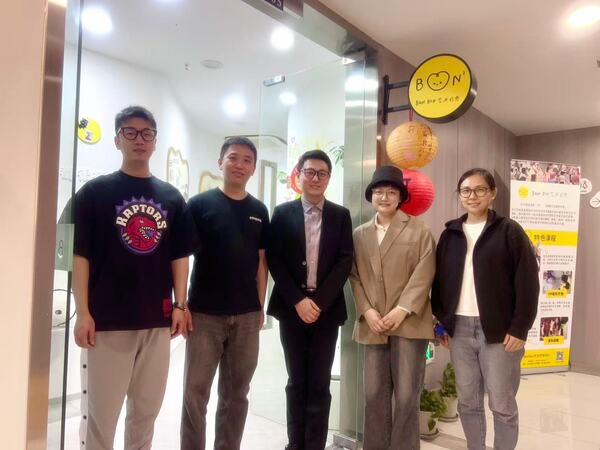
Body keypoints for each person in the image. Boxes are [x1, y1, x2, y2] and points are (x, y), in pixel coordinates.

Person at [72, 105, 196, 450]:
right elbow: (79, 257)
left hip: (156, 322)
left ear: (155, 141)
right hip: (108, 323)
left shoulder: (171, 198)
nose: (139, 139)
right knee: (102, 417)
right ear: (117, 140)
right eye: (130, 132)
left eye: (147, 133)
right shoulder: (93, 194)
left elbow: (179, 256)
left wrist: (180, 305)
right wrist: (83, 312)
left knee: (145, 415)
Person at [431, 168, 539, 450]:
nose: (472, 196)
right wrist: (441, 324)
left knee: (502, 404)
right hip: (459, 330)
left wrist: (520, 327)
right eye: (466, 190)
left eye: (480, 190)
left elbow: (528, 282)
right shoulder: (450, 234)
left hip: (500, 332)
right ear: (459, 195)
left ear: (492, 194)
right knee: (468, 401)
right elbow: (439, 283)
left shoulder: (509, 231)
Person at [181, 136, 269, 450]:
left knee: (236, 394)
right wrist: (182, 304)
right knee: (195, 393)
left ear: (254, 168)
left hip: (247, 316)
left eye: (247, 160)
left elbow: (261, 262)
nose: (239, 165)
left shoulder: (259, 210)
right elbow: (182, 257)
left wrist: (260, 306)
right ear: (220, 162)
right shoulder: (199, 205)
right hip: (204, 314)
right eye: (233, 157)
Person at [267, 150, 353, 450]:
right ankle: (295, 444)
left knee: (319, 382)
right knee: (296, 381)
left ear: (328, 178)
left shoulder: (341, 215)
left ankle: (314, 445)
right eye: (310, 172)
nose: (315, 178)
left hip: (326, 312)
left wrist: (319, 302)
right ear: (298, 174)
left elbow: (345, 261)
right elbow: (275, 260)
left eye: (322, 173)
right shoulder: (282, 213)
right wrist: (298, 301)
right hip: (292, 310)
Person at [350, 166, 436, 450]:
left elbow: (425, 273)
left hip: (409, 322)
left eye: (391, 192)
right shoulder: (360, 234)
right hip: (374, 323)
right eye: (378, 192)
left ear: (401, 197)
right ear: (371, 196)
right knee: (373, 394)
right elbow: (354, 276)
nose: (384, 197)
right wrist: (367, 311)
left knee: (407, 395)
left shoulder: (419, 230)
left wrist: (402, 309)